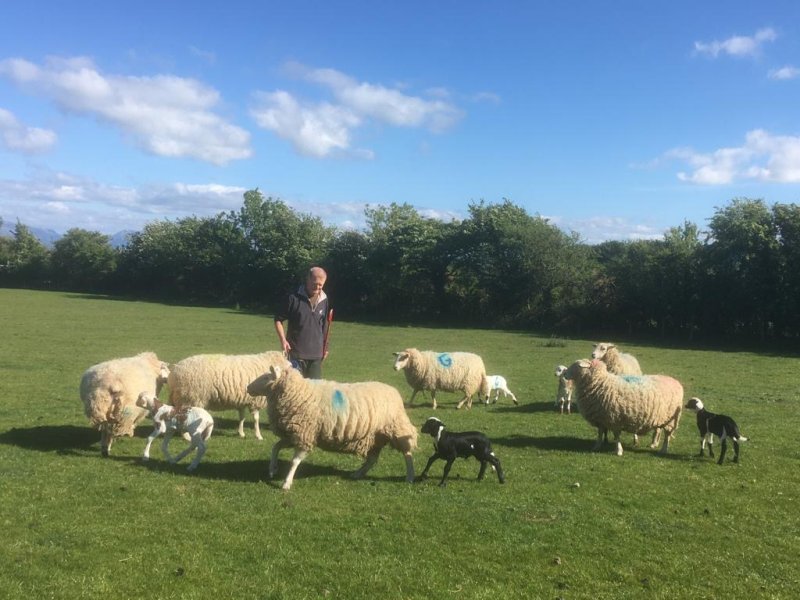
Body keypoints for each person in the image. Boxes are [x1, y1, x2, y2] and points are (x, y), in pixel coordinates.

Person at [274, 266, 330, 379]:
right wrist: (283, 340)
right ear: (308, 279)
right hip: (296, 354)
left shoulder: (324, 299)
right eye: (315, 283)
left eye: (321, 285)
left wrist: (326, 347)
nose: (318, 287)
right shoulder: (293, 298)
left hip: (316, 355)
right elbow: (278, 320)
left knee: (315, 391)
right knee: (294, 391)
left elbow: (324, 325)